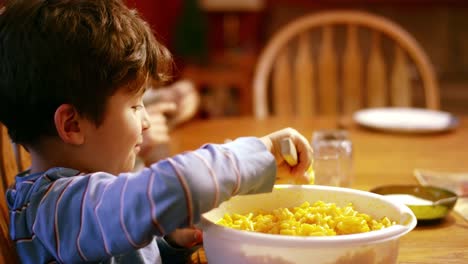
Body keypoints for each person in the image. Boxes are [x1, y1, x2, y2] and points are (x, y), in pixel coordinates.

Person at [0, 1, 313, 264]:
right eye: (136, 106)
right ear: (72, 125)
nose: (146, 121)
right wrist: (258, 152)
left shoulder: (71, 205)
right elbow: (185, 182)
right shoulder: (57, 209)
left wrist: (169, 243)